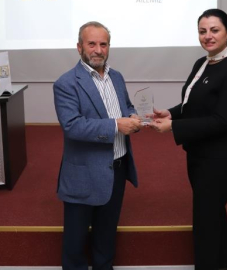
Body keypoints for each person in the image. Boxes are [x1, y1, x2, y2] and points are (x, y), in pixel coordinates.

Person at [151, 9, 227, 270]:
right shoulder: (202, 63)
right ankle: (222, 262)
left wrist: (174, 127)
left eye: (214, 30)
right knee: (212, 210)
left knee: (205, 216)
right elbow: (191, 104)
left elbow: (222, 120)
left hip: (221, 156)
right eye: (202, 31)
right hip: (198, 152)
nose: (208, 36)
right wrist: (170, 113)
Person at [53, 21, 142, 270]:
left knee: (106, 236)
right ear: (79, 47)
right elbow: (72, 126)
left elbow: (126, 106)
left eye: (104, 44)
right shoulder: (66, 83)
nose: (98, 50)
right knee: (75, 242)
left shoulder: (117, 77)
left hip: (117, 168)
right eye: (91, 44)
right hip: (83, 173)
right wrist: (116, 126)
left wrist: (133, 116)